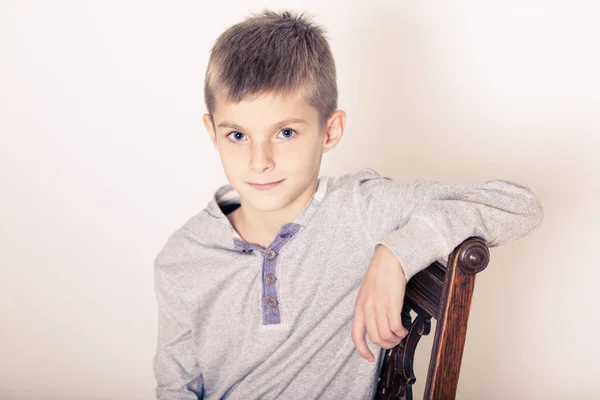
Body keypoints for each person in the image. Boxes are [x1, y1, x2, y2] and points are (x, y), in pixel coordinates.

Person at [153, 10, 543, 400]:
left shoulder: (361, 210)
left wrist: (396, 253)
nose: (260, 160)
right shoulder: (183, 257)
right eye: (238, 134)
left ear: (330, 130)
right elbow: (175, 388)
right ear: (212, 132)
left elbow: (518, 204)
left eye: (285, 132)